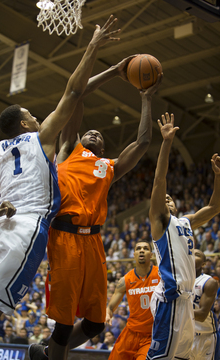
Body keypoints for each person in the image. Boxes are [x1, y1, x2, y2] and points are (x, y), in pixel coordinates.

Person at [0, 14, 120, 345]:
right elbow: (74, 91)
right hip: (25, 227)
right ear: (27, 125)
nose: (38, 117)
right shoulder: (41, 137)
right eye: (32, 115)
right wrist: (94, 46)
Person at [29, 42, 162, 360]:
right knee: (63, 322)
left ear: (102, 146)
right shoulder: (68, 149)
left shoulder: (109, 168)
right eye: (89, 131)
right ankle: (53, 350)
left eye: (99, 134)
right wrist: (116, 71)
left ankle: (48, 352)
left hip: (95, 243)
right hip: (64, 236)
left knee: (95, 323)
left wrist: (146, 99)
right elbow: (77, 94)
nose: (93, 133)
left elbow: (143, 143)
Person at [146, 113, 220, 360]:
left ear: (176, 203)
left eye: (169, 198)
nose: (165, 198)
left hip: (186, 303)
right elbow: (160, 179)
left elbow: (214, 208)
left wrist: (218, 177)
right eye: (162, 198)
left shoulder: (186, 222)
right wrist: (167, 142)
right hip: (172, 298)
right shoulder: (160, 221)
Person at [105, 240, 160, 360]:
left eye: (145, 248)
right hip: (130, 332)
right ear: (134, 254)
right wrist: (108, 314)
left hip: (152, 334)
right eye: (138, 248)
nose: (141, 250)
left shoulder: (160, 275)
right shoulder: (125, 280)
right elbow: (110, 307)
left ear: (151, 255)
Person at [190, 249, 218, 360]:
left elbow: (201, 315)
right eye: (190, 253)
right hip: (186, 336)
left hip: (206, 335)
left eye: (196, 255)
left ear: (203, 264)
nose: (192, 256)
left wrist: (175, 311)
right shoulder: (179, 282)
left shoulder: (208, 281)